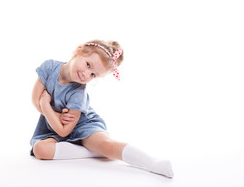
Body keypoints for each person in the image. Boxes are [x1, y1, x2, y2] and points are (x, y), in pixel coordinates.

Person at [30, 40, 174, 178]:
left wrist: (45, 104)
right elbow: (35, 100)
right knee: (40, 150)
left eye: (93, 75)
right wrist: (54, 115)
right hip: (53, 125)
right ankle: (94, 151)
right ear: (79, 50)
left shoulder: (78, 93)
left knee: (108, 146)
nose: (86, 74)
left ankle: (155, 163)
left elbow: (63, 129)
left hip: (83, 125)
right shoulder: (49, 67)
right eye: (88, 65)